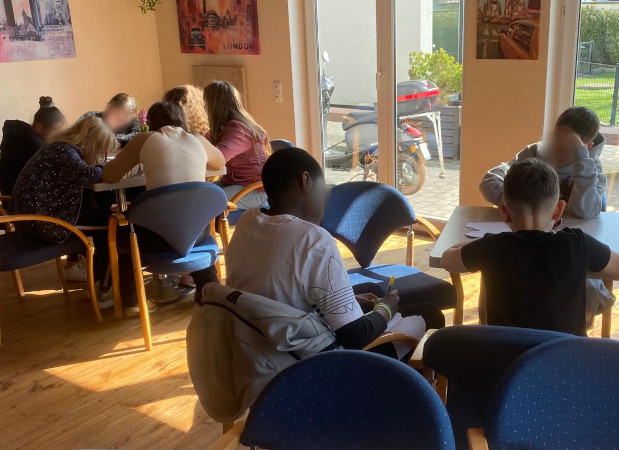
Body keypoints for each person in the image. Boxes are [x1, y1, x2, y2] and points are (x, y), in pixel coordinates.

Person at [225, 147, 444, 358]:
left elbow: (281, 288)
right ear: (306, 180)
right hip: (314, 362)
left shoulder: (248, 222)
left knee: (367, 291)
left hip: (259, 343)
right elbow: (356, 336)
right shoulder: (313, 239)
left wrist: (349, 302)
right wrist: (386, 308)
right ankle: (401, 380)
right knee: (429, 313)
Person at [442, 157, 619, 336]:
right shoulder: (578, 244)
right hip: (566, 357)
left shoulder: (491, 247)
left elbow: (447, 258)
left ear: (504, 213)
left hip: (508, 358)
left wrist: (485, 242)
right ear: (558, 210)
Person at [102, 101, 225, 301]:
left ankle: (132, 300)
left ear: (150, 122)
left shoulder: (144, 139)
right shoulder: (197, 139)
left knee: (123, 232)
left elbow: (109, 175)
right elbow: (220, 163)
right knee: (193, 222)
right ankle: (210, 292)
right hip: (196, 235)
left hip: (157, 239)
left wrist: (141, 162)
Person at [10, 116, 122, 308]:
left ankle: (97, 279)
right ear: (89, 143)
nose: (101, 155)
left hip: (36, 215)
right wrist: (106, 167)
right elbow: (91, 175)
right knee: (112, 224)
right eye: (101, 150)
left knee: (102, 216)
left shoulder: (58, 146)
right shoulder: (65, 152)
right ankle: (102, 291)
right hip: (47, 221)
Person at [479, 106, 607, 219]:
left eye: (569, 147)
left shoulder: (591, 167)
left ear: (587, 147)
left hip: (572, 232)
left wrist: (581, 157)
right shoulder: (534, 152)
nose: (558, 150)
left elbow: (587, 212)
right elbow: (489, 182)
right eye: (556, 140)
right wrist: (522, 205)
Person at [204, 81, 270, 210]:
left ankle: (213, 224)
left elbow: (218, 158)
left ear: (214, 106)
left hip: (256, 190)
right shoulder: (222, 127)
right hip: (235, 183)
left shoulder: (239, 131)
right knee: (197, 195)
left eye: (205, 103)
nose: (204, 107)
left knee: (207, 201)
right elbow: (204, 144)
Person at [0, 96, 66, 196]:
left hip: (21, 196)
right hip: (21, 200)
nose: (59, 136)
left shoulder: (23, 135)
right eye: (56, 131)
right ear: (39, 128)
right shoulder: (32, 146)